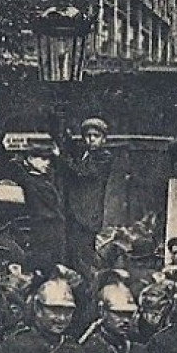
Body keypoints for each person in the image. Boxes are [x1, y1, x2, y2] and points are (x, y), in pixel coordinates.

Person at [60, 117, 114, 278]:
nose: (90, 140)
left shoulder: (104, 157)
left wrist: (62, 158)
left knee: (83, 260)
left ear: (104, 139)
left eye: (95, 136)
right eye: (88, 136)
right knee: (72, 257)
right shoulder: (85, 154)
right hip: (75, 214)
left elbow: (82, 173)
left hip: (87, 218)